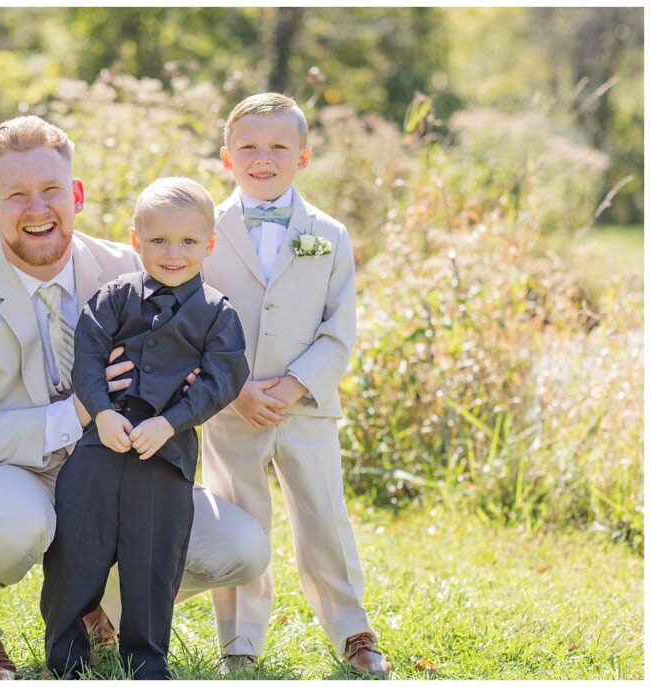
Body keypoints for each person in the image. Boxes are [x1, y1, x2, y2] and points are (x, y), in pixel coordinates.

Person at [0, 115, 270, 680]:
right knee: (13, 526)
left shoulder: (133, 266)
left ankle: (98, 606)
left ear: (75, 195)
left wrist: (196, 395)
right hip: (10, 471)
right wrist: (78, 412)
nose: (38, 209)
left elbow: (205, 350)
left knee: (240, 548)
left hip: (122, 464)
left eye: (51, 190)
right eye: (17, 196)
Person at [200, 93, 392, 677]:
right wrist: (233, 389)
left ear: (302, 157)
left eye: (279, 147)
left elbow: (340, 328)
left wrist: (297, 384)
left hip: (305, 405)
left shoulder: (327, 234)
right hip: (232, 405)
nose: (264, 158)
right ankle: (240, 639)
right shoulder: (203, 231)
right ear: (227, 158)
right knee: (240, 516)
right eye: (249, 147)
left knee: (324, 516)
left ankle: (352, 627)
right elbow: (189, 314)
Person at [41, 178, 249, 679]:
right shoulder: (112, 298)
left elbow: (224, 379)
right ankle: (66, 657)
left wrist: (171, 421)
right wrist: (102, 411)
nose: (172, 253)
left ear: (209, 245)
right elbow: (87, 356)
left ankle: (147, 660)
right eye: (158, 240)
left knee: (155, 558)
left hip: (166, 454)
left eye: (187, 242)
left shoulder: (218, 314)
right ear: (136, 240)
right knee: (76, 549)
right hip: (99, 445)